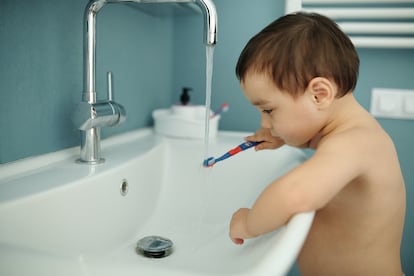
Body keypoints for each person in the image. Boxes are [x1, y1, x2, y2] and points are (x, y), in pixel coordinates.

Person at [229, 12, 406, 275]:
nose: (264, 124)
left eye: (268, 110)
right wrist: (285, 138)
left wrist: (249, 223)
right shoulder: (345, 137)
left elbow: (294, 193)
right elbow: (324, 148)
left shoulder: (359, 141)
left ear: (319, 94)